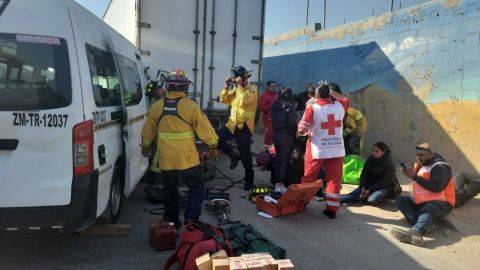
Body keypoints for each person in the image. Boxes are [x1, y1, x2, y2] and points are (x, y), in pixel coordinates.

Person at [141, 69, 219, 228]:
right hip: (187, 159)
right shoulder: (191, 106)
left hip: (166, 159)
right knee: (196, 187)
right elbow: (206, 130)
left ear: (168, 87)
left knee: (170, 190)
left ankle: (172, 221)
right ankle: (191, 220)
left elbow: (147, 131)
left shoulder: (157, 107)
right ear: (186, 88)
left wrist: (146, 146)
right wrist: (213, 146)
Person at [298, 83, 349, 219]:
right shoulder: (340, 106)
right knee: (334, 181)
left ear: (316, 95)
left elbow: (301, 130)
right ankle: (332, 210)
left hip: (317, 150)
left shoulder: (312, 108)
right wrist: (331, 91)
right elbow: (344, 99)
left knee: (309, 179)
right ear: (329, 94)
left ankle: (301, 204)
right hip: (336, 150)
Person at [390, 143, 455, 247]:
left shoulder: (441, 167)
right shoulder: (421, 164)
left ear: (430, 154)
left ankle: (416, 231)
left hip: (443, 201)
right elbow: (419, 180)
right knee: (400, 200)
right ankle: (425, 225)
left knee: (429, 208)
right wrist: (410, 175)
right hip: (424, 199)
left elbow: (436, 187)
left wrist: (414, 177)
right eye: (417, 154)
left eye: (421, 155)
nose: (418, 157)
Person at [217, 65, 258, 190]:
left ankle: (249, 179)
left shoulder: (252, 90)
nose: (241, 81)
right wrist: (227, 86)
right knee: (213, 137)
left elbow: (243, 102)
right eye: (238, 79)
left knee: (246, 154)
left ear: (246, 77)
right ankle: (232, 154)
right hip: (232, 125)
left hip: (244, 127)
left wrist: (239, 86)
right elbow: (223, 99)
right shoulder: (235, 90)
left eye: (242, 79)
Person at [328, 83, 367, 156]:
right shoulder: (338, 104)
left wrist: (343, 133)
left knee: (353, 142)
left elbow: (352, 126)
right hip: (349, 123)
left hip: (358, 125)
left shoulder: (343, 106)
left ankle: (356, 158)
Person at [271, 87, 297, 194]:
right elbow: (291, 123)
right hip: (286, 137)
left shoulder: (274, 105)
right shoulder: (290, 107)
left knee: (278, 160)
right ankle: (281, 186)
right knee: (284, 162)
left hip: (276, 135)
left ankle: (277, 184)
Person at [259, 80, 278, 147]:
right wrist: (272, 105)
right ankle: (267, 153)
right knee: (269, 136)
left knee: (276, 137)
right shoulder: (264, 96)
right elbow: (262, 108)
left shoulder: (277, 95)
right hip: (268, 120)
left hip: (277, 119)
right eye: (271, 86)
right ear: (267, 87)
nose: (273, 88)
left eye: (274, 86)